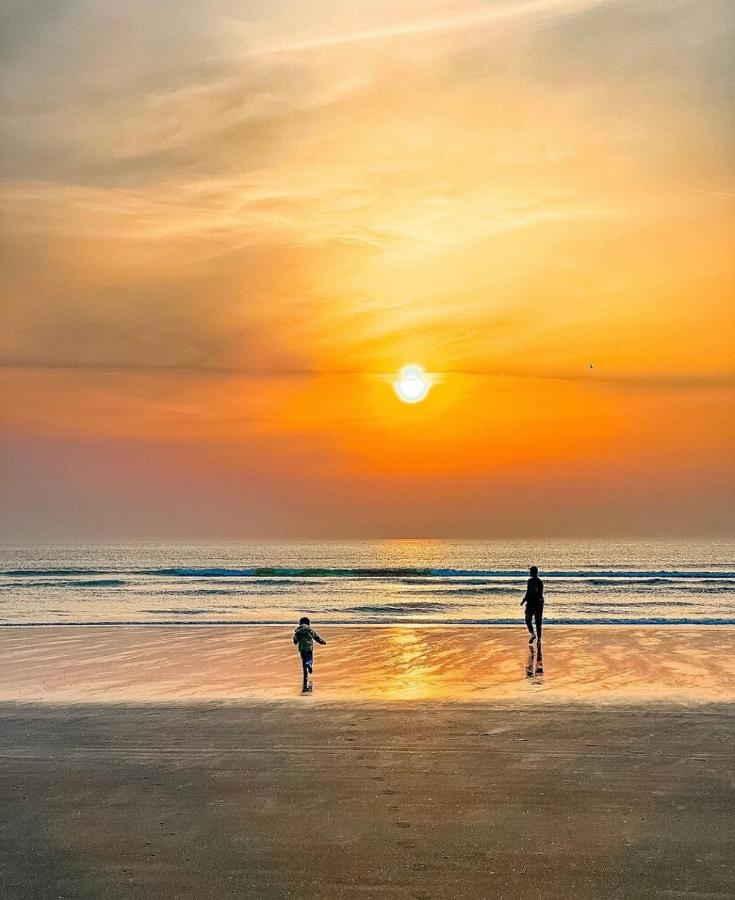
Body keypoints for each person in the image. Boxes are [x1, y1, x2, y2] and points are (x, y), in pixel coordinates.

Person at [293, 616, 327, 693]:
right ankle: (309, 663)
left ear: (300, 623)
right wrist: (322, 642)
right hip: (309, 648)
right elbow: (316, 637)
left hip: (302, 649)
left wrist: (295, 641)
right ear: (309, 623)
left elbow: (295, 641)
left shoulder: (298, 631)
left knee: (303, 661)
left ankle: (305, 672)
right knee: (309, 659)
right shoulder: (310, 630)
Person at [520, 565, 544, 649]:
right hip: (538, 602)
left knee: (528, 619)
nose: (529, 573)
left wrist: (524, 600)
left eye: (530, 571)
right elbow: (539, 594)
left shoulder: (532, 581)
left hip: (534, 602)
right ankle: (538, 638)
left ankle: (534, 634)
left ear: (533, 572)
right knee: (537, 622)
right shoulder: (539, 581)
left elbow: (529, 593)